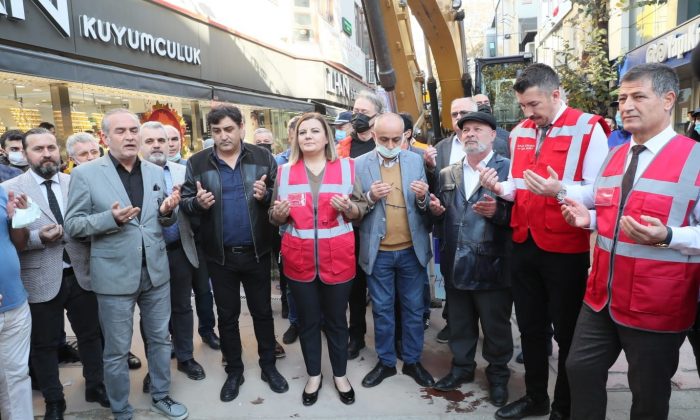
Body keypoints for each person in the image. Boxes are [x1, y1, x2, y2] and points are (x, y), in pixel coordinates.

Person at [562, 63, 700, 420]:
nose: (626, 105)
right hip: (601, 296)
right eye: (622, 98)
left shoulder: (695, 158)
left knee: (649, 393)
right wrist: (588, 218)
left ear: (669, 100)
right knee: (580, 368)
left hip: (657, 302)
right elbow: (609, 208)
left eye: (638, 96)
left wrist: (669, 235)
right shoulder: (616, 154)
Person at [479, 63, 609, 420]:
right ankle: (536, 398)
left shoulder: (588, 128)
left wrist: (561, 190)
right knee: (532, 329)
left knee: (567, 334)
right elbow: (517, 188)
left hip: (565, 248)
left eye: (534, 104)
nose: (528, 113)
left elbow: (600, 193)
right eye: (523, 106)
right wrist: (498, 187)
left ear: (555, 94)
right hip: (524, 242)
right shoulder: (521, 131)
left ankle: (564, 408)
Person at [65, 108, 187, 420]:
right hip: (114, 276)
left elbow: (160, 219)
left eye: (134, 130)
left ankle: (161, 395)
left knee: (160, 339)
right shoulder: (85, 174)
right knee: (117, 350)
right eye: (121, 131)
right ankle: (121, 408)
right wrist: (110, 219)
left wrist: (167, 211)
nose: (130, 136)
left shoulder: (153, 170)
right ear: (105, 138)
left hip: (156, 272)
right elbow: (74, 226)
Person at [180, 105, 288, 403]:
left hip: (256, 252)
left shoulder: (263, 157)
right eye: (216, 131)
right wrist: (198, 203)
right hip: (219, 255)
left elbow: (280, 198)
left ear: (241, 127)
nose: (223, 136)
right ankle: (235, 370)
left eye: (229, 129)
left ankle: (268, 366)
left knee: (263, 312)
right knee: (226, 317)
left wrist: (265, 197)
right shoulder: (198, 162)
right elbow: (185, 203)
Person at [2, 128, 108, 419]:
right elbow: (10, 241)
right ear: (25, 154)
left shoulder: (76, 181)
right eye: (38, 149)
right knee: (45, 343)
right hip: (38, 276)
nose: (47, 153)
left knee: (91, 335)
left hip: (81, 272)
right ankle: (54, 400)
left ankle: (96, 385)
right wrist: (39, 238)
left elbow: (89, 221)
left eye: (51, 147)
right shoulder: (12, 188)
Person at [270, 112, 364, 406]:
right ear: (295, 139)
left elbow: (361, 209)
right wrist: (278, 215)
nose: (308, 136)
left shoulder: (347, 167)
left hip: (338, 258)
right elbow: (273, 216)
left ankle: (339, 375)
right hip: (299, 261)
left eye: (314, 131)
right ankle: (314, 375)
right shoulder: (284, 171)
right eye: (302, 132)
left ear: (327, 137)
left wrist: (350, 208)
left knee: (337, 321)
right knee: (309, 322)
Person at [432, 111, 513, 407]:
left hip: (493, 264)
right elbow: (439, 215)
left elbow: (521, 216)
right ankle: (462, 369)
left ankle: (498, 376)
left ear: (493, 135)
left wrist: (500, 213)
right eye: (465, 129)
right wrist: (434, 210)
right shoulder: (447, 173)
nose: (470, 134)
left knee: (496, 328)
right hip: (455, 263)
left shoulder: (508, 170)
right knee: (461, 325)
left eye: (477, 129)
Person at [354, 113, 436, 389]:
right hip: (379, 253)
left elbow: (423, 208)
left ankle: (412, 360)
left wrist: (424, 196)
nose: (390, 144)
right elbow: (353, 212)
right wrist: (369, 197)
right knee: (382, 310)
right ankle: (386, 362)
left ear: (405, 136)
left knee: (414, 310)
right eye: (384, 139)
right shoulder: (358, 165)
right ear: (373, 136)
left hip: (411, 250)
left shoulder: (414, 160)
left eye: (396, 139)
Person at [65, 131, 143, 370]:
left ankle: (121, 352)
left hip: (117, 262)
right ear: (72, 159)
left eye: (93, 152)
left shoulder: (117, 175)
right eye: (83, 154)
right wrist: (110, 219)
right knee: (92, 324)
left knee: (116, 321)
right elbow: (74, 225)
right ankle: (101, 373)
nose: (89, 157)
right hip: (81, 264)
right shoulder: (75, 179)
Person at [139, 122, 206, 384]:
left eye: (162, 140)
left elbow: (195, 211)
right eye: (150, 141)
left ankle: (186, 357)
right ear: (141, 144)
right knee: (151, 312)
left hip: (179, 250)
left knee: (181, 307)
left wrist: (195, 204)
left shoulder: (184, 171)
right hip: (147, 255)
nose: (157, 145)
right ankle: (155, 367)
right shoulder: (134, 175)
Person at [424, 96, 478, 344]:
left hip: (483, 226)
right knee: (451, 279)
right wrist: (430, 168)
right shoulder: (442, 147)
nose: (459, 118)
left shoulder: (499, 144)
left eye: (464, 112)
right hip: (449, 225)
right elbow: (434, 186)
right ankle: (453, 323)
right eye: (454, 114)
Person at [336, 90, 383, 360]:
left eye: (364, 113)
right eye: (355, 111)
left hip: (379, 224)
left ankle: (390, 336)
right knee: (354, 286)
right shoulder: (343, 147)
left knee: (381, 284)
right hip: (350, 224)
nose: (358, 117)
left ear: (377, 117)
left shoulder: (385, 145)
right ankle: (356, 336)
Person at [0, 185, 32, 420]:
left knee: (17, 378)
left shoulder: (2, 193)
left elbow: (18, 244)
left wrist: (17, 220)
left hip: (15, 304)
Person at [276, 116, 301, 344]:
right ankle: (295, 322)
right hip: (289, 234)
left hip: (322, 238)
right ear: (291, 135)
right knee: (292, 284)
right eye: (300, 134)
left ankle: (319, 320)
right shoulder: (280, 164)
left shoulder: (331, 165)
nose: (305, 139)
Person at [474, 94, 511, 158]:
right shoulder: (466, 136)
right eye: (479, 104)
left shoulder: (506, 136)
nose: (484, 106)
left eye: (486, 103)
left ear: (491, 109)